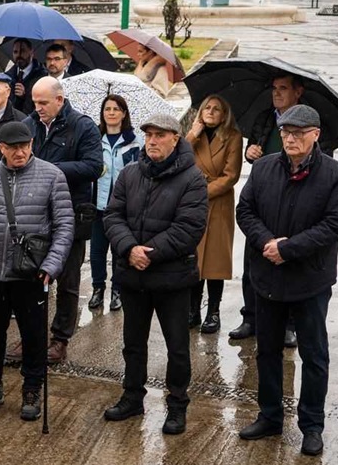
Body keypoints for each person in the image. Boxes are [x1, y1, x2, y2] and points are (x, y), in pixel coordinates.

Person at [235, 105, 338, 457]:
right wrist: (266, 242)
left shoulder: (336, 175)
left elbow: (334, 225)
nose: (289, 138)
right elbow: (246, 210)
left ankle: (311, 426)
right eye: (286, 132)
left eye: (298, 132)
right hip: (267, 277)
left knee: (314, 356)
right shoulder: (264, 167)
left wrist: (289, 248)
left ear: (315, 134)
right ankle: (270, 416)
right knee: (267, 350)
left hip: (309, 281)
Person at [101, 112, 207, 436]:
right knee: (133, 343)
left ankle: (177, 405)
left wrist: (149, 253)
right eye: (148, 135)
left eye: (160, 135)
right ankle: (132, 397)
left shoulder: (192, 179)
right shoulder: (130, 174)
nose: (152, 141)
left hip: (172, 278)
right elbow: (113, 215)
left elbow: (188, 228)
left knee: (177, 346)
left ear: (176, 139)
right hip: (133, 276)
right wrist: (129, 249)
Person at [0, 121, 73, 418]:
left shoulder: (52, 176)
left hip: (31, 274)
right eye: (14, 147)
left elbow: (64, 226)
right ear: (2, 148)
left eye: (25, 145)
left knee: (33, 335)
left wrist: (52, 265)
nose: (21, 152)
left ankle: (32, 389)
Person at [28, 77, 103, 364]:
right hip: (35, 214)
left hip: (71, 214)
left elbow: (94, 166)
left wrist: (50, 169)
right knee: (33, 278)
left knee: (68, 282)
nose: (38, 108)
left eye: (43, 102)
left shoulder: (83, 126)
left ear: (59, 100)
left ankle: (60, 339)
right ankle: (32, 335)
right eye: (35, 102)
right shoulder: (30, 123)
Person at [231, 74, 308, 342]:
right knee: (253, 262)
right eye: (274, 88)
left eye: (283, 88)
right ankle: (250, 318)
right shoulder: (265, 117)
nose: (276, 93)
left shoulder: (308, 121)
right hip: (263, 198)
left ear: (298, 92)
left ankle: (288, 325)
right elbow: (255, 150)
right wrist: (250, 152)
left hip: (293, 203)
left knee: (286, 263)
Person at [186, 95, 243, 334]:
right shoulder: (193, 135)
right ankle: (193, 310)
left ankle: (214, 312)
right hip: (192, 204)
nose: (210, 111)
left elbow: (231, 176)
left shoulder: (233, 137)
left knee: (215, 261)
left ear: (224, 115)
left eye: (216, 109)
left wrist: (202, 192)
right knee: (194, 258)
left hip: (218, 202)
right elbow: (178, 158)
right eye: (206, 108)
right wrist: (192, 134)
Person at [88, 95, 139, 314]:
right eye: (107, 109)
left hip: (122, 207)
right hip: (98, 204)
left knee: (119, 251)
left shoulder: (134, 141)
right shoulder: (94, 139)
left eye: (116, 109)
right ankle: (98, 288)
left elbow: (138, 171)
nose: (111, 113)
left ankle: (117, 290)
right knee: (97, 251)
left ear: (124, 113)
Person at [5, 38, 45, 113]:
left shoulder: (42, 76)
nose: (19, 55)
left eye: (23, 51)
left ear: (31, 52)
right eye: (15, 52)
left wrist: (25, 96)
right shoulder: (8, 76)